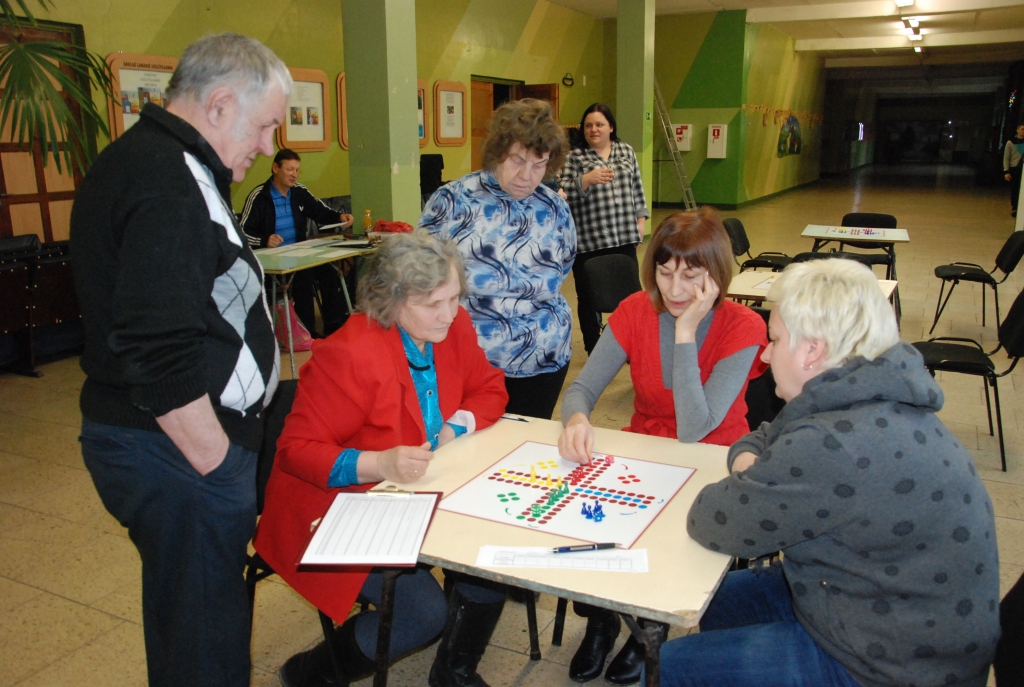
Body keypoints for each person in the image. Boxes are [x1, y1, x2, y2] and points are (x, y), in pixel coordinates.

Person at [662, 258, 1001, 687]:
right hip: (899, 614)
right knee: (719, 601)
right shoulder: (865, 392)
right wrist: (756, 470)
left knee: (674, 665)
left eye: (775, 339)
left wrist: (753, 478)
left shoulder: (833, 442)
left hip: (893, 668)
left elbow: (712, 519)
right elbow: (764, 436)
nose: (765, 354)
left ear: (812, 351)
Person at [70, 34, 288, 687]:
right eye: (266, 124)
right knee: (202, 640)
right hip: (176, 453)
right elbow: (155, 344)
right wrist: (217, 466)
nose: (269, 145)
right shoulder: (166, 178)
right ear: (221, 104)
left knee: (197, 619)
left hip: (179, 449)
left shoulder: (171, 163)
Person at [253, 231, 510, 687]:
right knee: (422, 613)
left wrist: (451, 429)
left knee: (495, 557)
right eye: (434, 303)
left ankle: (453, 671)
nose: (450, 314)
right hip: (332, 507)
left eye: (454, 298)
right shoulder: (350, 354)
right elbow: (296, 451)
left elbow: (490, 388)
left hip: (417, 492)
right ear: (392, 301)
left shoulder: (451, 328)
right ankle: (310, 673)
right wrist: (379, 464)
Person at [556, 207, 768, 684]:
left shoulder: (744, 327)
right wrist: (575, 420)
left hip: (713, 457)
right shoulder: (636, 310)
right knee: (589, 517)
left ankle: (645, 631)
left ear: (716, 276)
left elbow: (696, 427)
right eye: (665, 272)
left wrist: (687, 333)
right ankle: (602, 620)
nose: (674, 290)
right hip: (648, 449)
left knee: (668, 536)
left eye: (691, 276)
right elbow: (582, 388)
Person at [420, 98, 575, 420]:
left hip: (543, 357)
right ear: (497, 151)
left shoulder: (554, 208)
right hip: (470, 359)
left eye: (539, 164)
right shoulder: (452, 201)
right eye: (517, 160)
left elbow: (563, 269)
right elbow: (420, 280)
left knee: (527, 451)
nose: (527, 176)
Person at [559, 103, 650, 354]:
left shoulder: (626, 151)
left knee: (630, 298)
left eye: (599, 124)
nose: (593, 129)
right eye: (588, 125)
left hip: (623, 236)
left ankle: (632, 346)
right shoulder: (574, 156)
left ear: (611, 127)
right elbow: (561, 192)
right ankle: (594, 348)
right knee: (589, 298)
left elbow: (637, 189)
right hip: (588, 241)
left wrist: (641, 222)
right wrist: (585, 180)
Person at [242, 148, 355, 336]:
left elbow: (321, 211)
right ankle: (307, 331)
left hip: (300, 254)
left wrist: (339, 217)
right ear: (275, 168)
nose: (294, 175)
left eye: (297, 170)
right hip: (272, 260)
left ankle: (334, 326)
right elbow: (242, 232)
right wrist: (264, 240)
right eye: (289, 170)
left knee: (330, 272)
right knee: (303, 278)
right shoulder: (259, 197)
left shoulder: (299, 192)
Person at [1004, 123, 1024, 217]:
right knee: (1015, 189)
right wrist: (1006, 171)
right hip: (1015, 168)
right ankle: (1015, 207)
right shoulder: (1011, 142)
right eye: (1022, 129)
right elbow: (1006, 157)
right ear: (1018, 130)